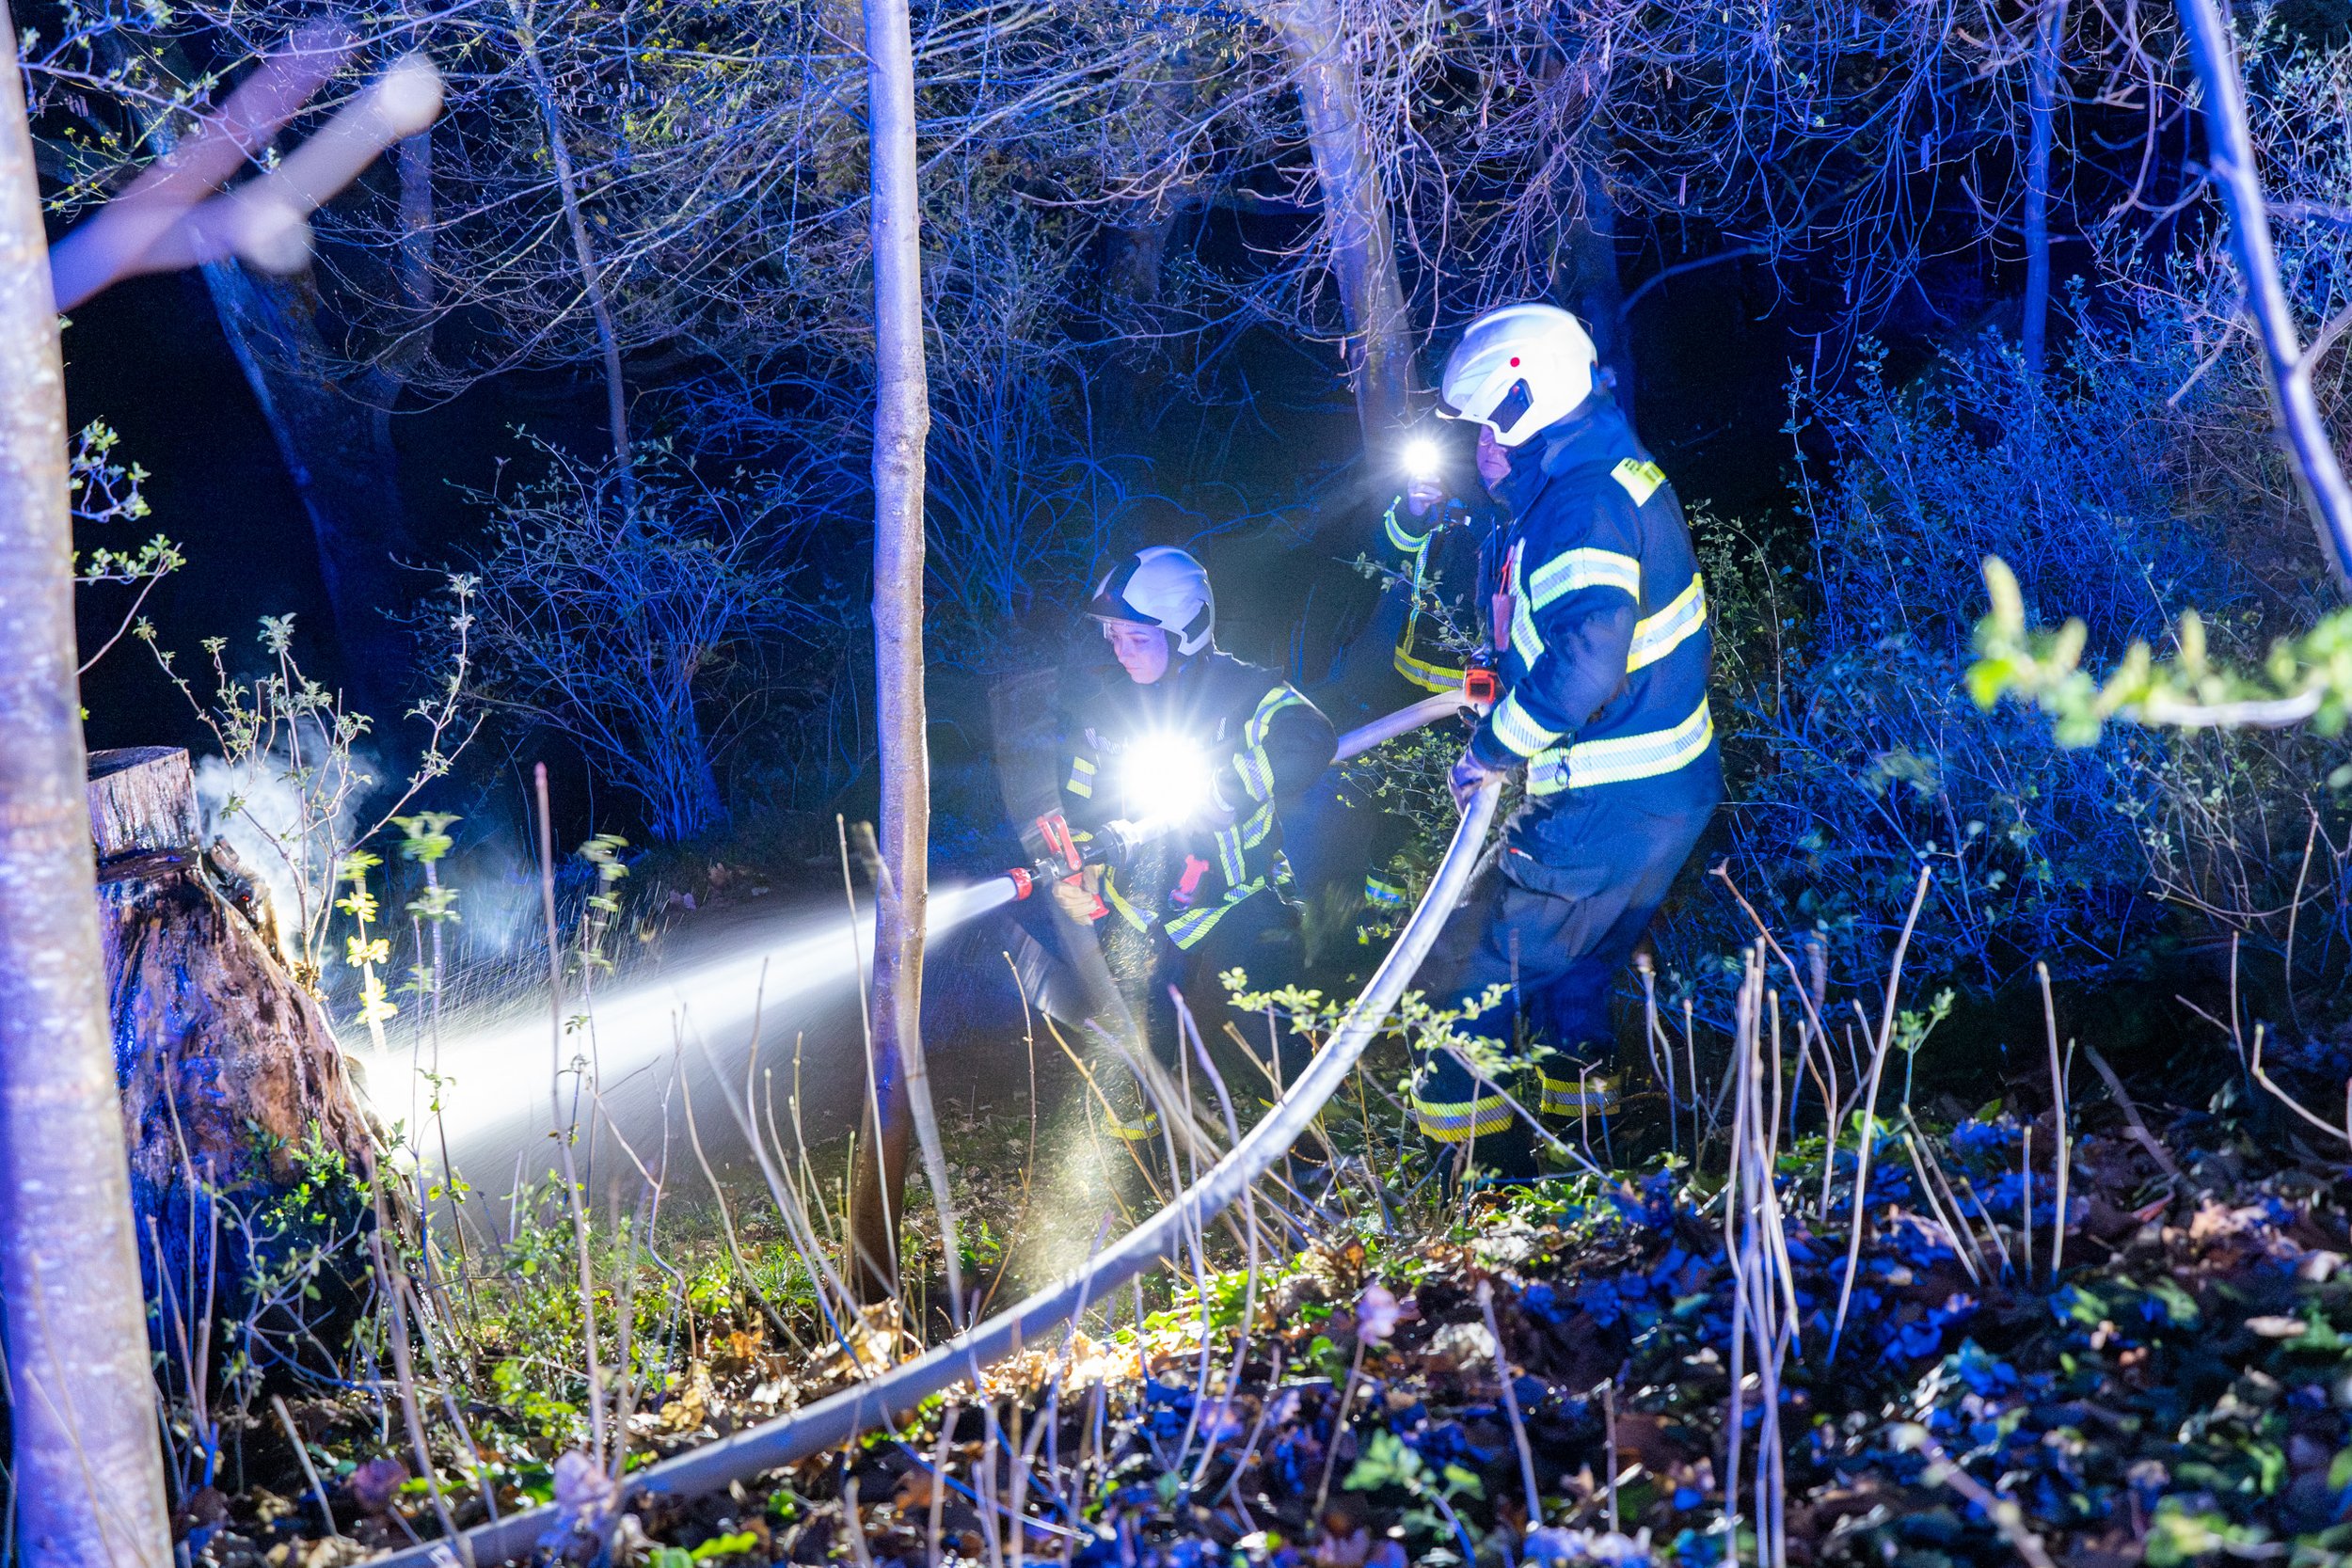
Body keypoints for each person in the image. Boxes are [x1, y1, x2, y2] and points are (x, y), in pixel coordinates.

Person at [1412, 302, 1722, 1179]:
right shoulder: (1590, 472)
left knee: (1471, 970)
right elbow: (1568, 634)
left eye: (1485, 424)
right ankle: (1578, 1165)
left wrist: (1492, 751)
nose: (1480, 444)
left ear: (1523, 402)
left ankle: (1460, 1182)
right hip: (1659, 791)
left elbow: (1588, 664)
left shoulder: (1578, 504)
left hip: (1611, 798)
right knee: (1571, 974)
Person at [1053, 546, 1338, 1135]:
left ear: (1187, 631)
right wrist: (1080, 870)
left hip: (1240, 897)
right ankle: (1153, 1174)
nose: (1120, 650)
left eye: (1136, 638)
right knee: (1139, 1053)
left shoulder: (1244, 694)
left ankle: (1312, 1164)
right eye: (1112, 635)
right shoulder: (1099, 711)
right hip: (1143, 912)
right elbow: (1082, 802)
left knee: (1269, 1038)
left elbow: (1311, 738)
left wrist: (1232, 786)